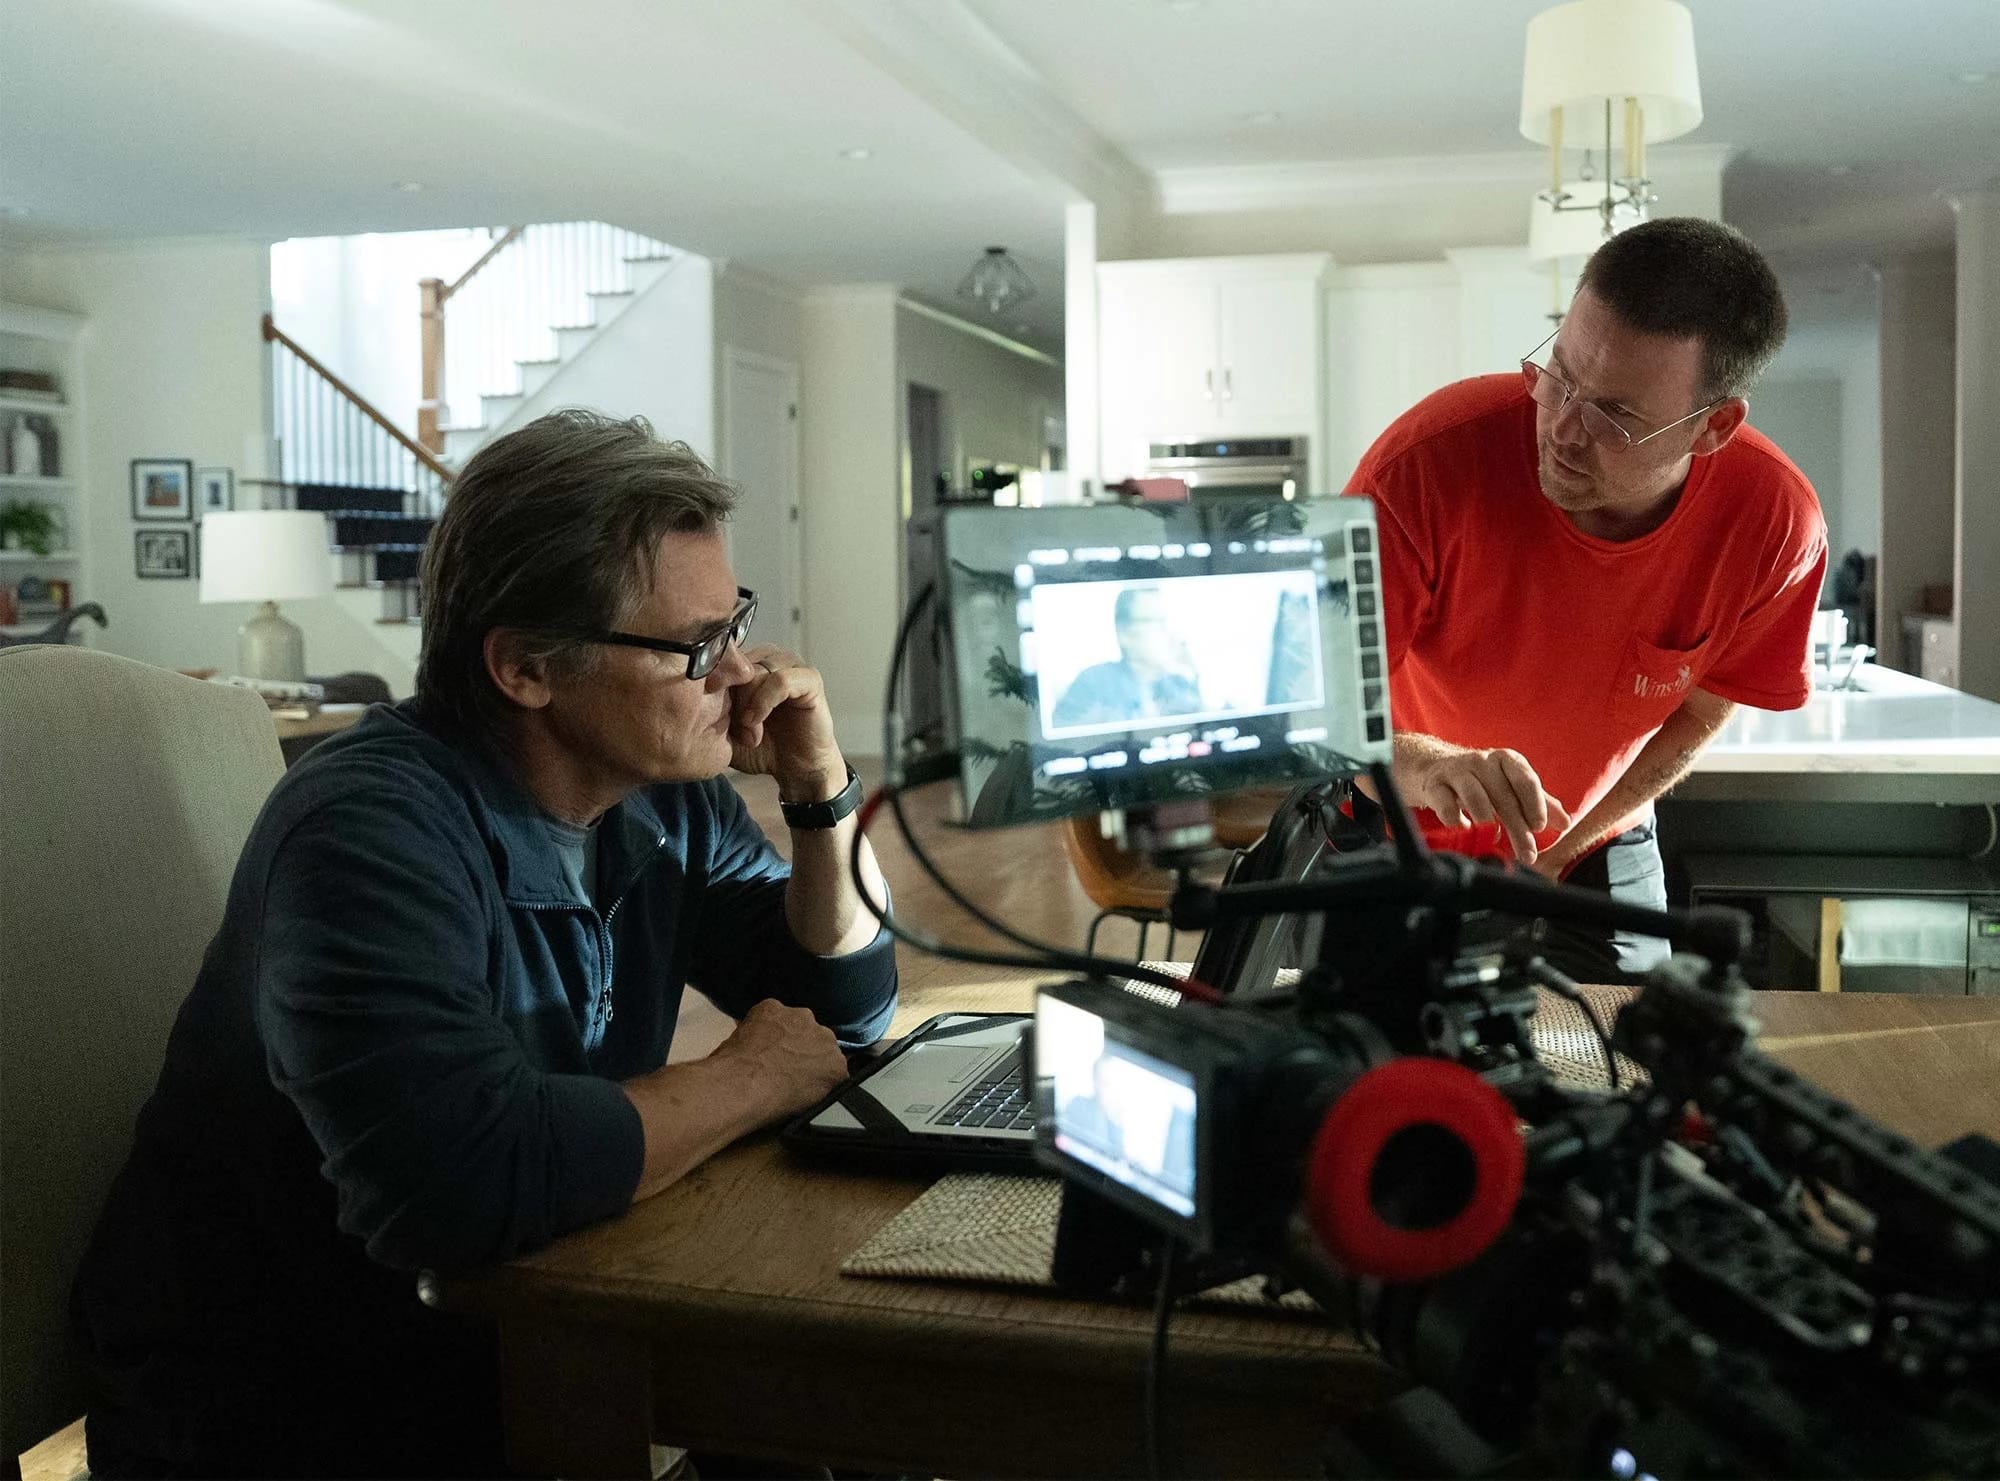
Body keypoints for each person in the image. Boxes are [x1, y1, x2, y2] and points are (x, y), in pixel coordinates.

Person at [72, 410, 898, 1477]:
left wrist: (820, 793)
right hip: (301, 1401)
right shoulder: (367, 830)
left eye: (732, 621)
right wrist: (744, 1078)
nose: (739, 673)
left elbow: (839, 1014)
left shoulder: (661, 796)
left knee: (839, 1422)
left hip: (515, 1323)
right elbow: (456, 1182)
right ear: (523, 667)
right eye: (696, 646)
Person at [1350, 218, 1826, 981]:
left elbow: (1699, 713)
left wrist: (1558, 853)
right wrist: (1432, 768)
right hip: (1396, 826)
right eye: (1559, 375)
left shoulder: (1773, 524)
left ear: (1714, 427)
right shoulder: (1426, 465)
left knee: (1628, 1062)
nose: (1563, 429)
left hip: (1599, 839)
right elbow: (1330, 711)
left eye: (1615, 415)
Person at [1050, 585, 1203, 729]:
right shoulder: (1093, 682)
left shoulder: (1178, 684)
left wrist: (1198, 679)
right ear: (1124, 633)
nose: (1172, 633)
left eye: (1169, 622)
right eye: (1159, 622)